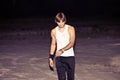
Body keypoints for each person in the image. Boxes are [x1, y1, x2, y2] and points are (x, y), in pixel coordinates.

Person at [49, 12, 76, 80]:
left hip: (70, 57)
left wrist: (62, 50)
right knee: (61, 78)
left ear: (65, 20)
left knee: (71, 78)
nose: (61, 24)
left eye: (62, 21)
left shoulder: (71, 28)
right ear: (56, 21)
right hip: (59, 58)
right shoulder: (53, 31)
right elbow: (53, 44)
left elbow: (72, 42)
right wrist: (51, 58)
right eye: (59, 22)